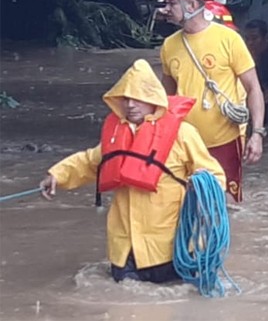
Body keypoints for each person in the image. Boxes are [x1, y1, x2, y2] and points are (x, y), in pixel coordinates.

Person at [38, 59, 226, 284]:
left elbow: (214, 174)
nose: (130, 105)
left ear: (153, 98)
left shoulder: (183, 134)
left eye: (137, 98)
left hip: (169, 247)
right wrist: (57, 175)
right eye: (125, 98)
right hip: (125, 249)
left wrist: (202, 186)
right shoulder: (117, 136)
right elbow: (89, 162)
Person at [159, 0, 265, 204]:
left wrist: (256, 134)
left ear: (193, 5)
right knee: (187, 203)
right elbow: (166, 99)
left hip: (224, 140)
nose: (166, 8)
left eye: (172, 3)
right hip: (185, 143)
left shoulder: (229, 39)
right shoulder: (169, 45)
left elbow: (253, 88)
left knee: (226, 204)